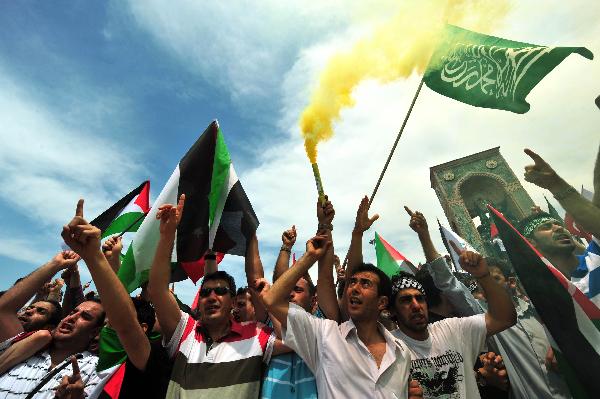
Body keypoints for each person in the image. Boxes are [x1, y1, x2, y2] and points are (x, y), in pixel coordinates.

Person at [406, 207, 572, 398]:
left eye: (495, 280)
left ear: (511, 283)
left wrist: (561, 348)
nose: (488, 287)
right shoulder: (491, 321)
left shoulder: (541, 310)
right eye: (484, 283)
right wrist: (425, 236)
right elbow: (450, 284)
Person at [261, 209, 422, 398]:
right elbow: (272, 299)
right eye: (351, 283)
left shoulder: (401, 353)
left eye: (365, 284)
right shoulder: (324, 336)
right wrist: (310, 256)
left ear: (382, 302)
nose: (354, 288)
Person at [147, 194, 283, 398]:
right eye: (205, 293)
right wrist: (167, 235)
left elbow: (296, 340)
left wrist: (270, 300)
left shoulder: (256, 333)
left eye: (220, 291)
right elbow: (157, 289)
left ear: (233, 303)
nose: (211, 297)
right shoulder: (185, 332)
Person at [59, 199, 173, 399]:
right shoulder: (86, 365)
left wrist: (95, 258)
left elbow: (126, 320)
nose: (105, 330)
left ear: (144, 330)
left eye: (112, 324)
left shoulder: (150, 363)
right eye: (104, 323)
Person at [389, 238, 517, 399]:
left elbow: (505, 318)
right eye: (406, 300)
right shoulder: (388, 348)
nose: (416, 305)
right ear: (392, 310)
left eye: (420, 298)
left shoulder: (452, 329)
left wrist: (484, 276)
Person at [261, 199, 338, 399]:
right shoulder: (271, 322)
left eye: (298, 290)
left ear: (314, 301)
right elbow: (279, 283)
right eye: (288, 290)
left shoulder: (324, 324)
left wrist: (324, 226)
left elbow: (326, 277)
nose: (290, 293)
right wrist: (286, 248)